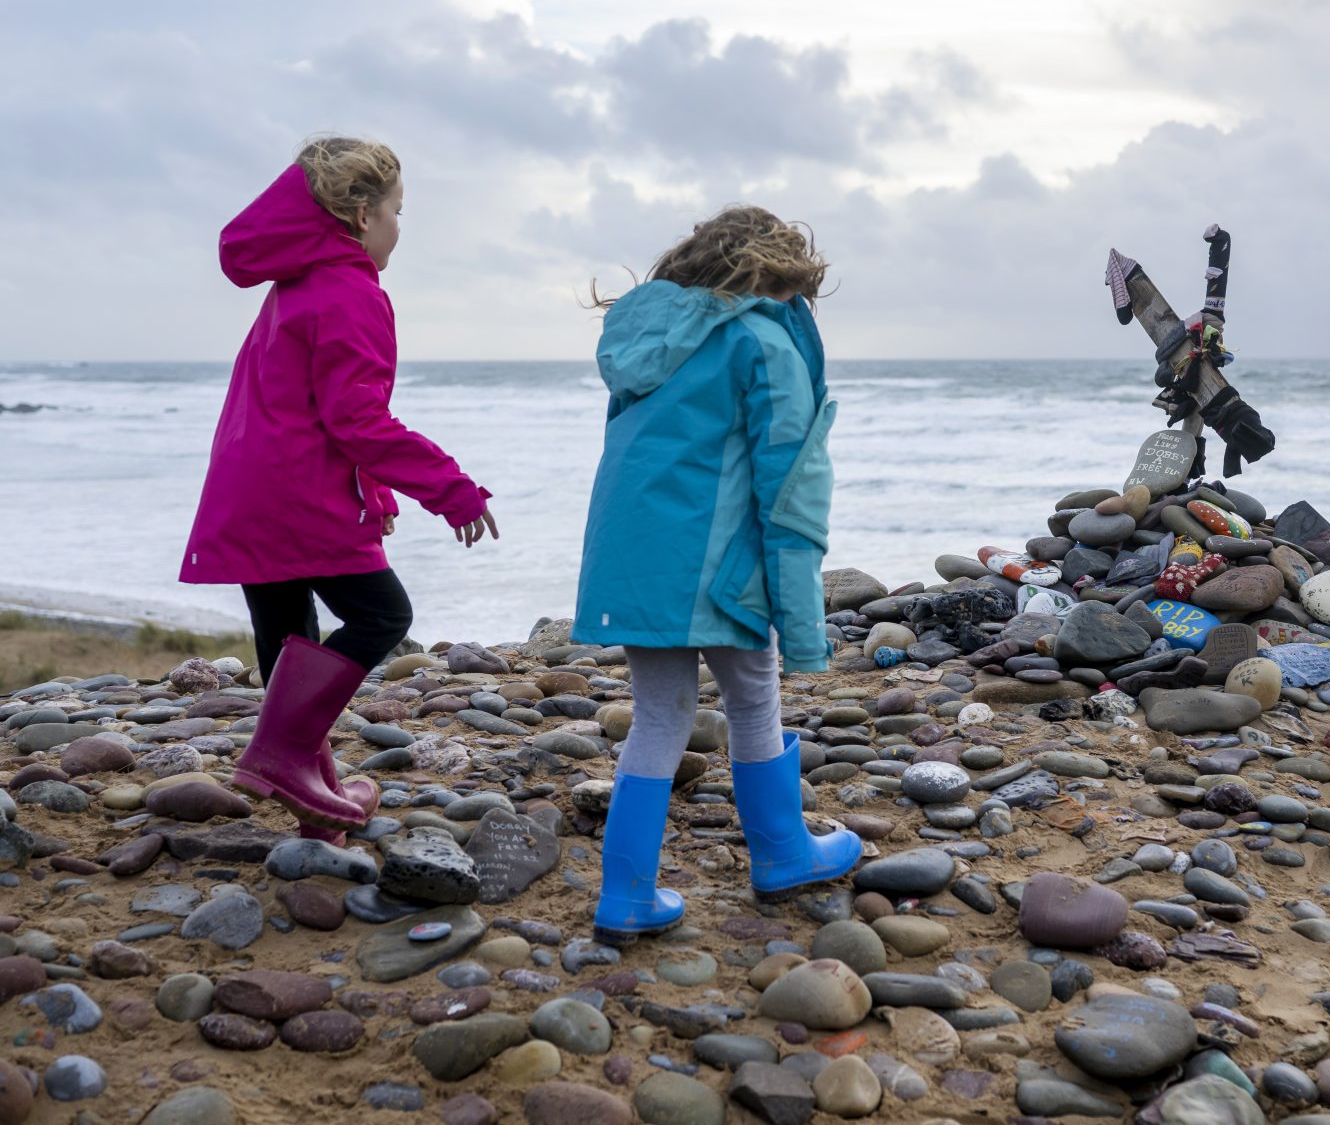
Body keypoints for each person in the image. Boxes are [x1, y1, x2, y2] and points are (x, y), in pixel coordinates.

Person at [181, 136, 498, 837]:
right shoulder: (351, 292)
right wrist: (450, 489)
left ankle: (312, 790)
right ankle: (282, 753)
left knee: (289, 633)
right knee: (383, 615)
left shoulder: (294, 286)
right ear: (360, 214)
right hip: (298, 494)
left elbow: (306, 408)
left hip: (252, 487)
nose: (397, 228)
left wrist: (376, 496)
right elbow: (357, 421)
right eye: (396, 211)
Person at [577, 205, 857, 943]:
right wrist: (802, 628)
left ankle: (626, 894)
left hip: (631, 561)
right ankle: (782, 853)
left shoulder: (654, 342)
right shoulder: (761, 340)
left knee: (661, 714)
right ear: (782, 277)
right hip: (717, 565)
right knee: (754, 697)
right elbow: (791, 487)